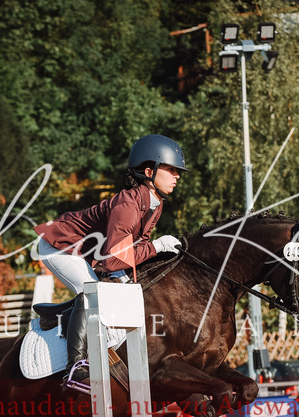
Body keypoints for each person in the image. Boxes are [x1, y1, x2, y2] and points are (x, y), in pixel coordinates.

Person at [35, 134, 186, 393]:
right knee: (92, 295)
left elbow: (133, 251)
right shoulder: (128, 204)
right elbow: (116, 258)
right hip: (58, 246)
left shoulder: (155, 204)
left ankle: (60, 314)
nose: (177, 176)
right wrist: (157, 247)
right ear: (150, 172)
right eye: (171, 169)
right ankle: (75, 368)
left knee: (113, 290)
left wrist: (155, 252)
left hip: (88, 253)